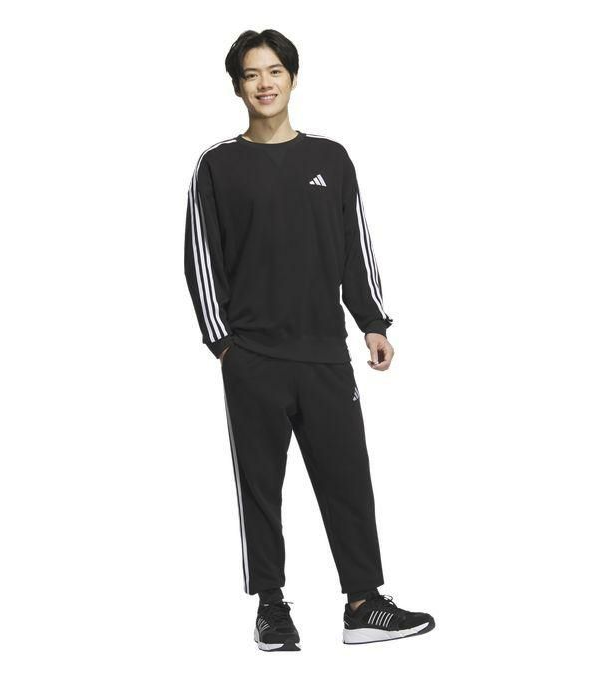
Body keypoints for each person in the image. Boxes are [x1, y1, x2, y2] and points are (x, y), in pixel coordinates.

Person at [184, 28, 435, 651]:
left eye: (274, 71)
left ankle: (363, 604)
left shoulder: (332, 159)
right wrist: (224, 346)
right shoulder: (217, 165)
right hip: (253, 357)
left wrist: (372, 322)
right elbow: (201, 258)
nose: (264, 83)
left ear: (292, 78)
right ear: (237, 86)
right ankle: (271, 607)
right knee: (260, 488)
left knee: (348, 479)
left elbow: (355, 248)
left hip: (325, 354)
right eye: (251, 74)